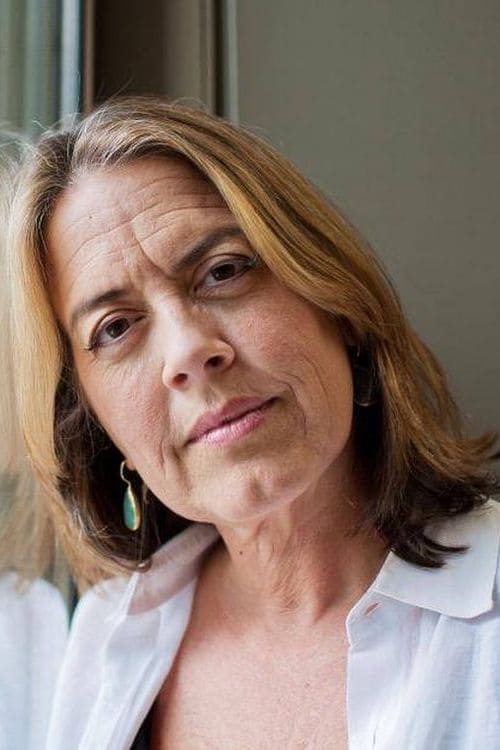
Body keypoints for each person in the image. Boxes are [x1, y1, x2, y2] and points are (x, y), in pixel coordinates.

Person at [6, 96, 499, 749]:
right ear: (93, 420)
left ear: (338, 303)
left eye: (223, 271)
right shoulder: (106, 637)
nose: (188, 351)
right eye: (116, 328)